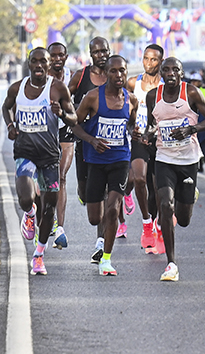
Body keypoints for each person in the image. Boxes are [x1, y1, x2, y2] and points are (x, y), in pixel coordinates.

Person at [2, 48, 77, 275]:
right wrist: (11, 126)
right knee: (26, 198)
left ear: (48, 64)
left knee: (49, 207)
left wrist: (61, 114)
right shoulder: (18, 88)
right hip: (25, 152)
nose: (38, 66)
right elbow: (6, 107)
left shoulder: (57, 88)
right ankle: (29, 213)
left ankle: (39, 255)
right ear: (29, 64)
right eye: (34, 61)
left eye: (42, 62)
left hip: (49, 156)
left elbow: (74, 118)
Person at [143, 57, 205, 281]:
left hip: (188, 161)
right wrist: (147, 135)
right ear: (161, 74)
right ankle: (171, 263)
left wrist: (191, 129)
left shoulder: (192, 93)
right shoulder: (152, 96)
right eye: (166, 70)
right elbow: (152, 125)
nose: (170, 73)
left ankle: (190, 194)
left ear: (181, 73)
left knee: (183, 219)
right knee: (165, 205)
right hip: (164, 158)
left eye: (175, 69)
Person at [70, 55, 138, 276]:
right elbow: (74, 126)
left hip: (119, 160)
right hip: (95, 162)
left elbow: (130, 125)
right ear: (106, 74)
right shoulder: (92, 98)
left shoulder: (132, 100)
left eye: (122, 71)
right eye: (114, 71)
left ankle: (106, 259)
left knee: (112, 209)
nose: (119, 75)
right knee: (94, 217)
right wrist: (91, 140)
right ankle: (101, 239)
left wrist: (133, 133)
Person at [67, 37, 113, 258]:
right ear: (90, 54)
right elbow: (64, 99)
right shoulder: (81, 76)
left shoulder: (115, 75)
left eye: (105, 50)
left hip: (108, 145)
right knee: (86, 194)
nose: (101, 55)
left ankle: (101, 242)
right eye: (97, 52)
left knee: (106, 194)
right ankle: (84, 192)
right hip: (84, 141)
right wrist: (79, 108)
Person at [126, 44, 164, 253]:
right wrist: (130, 128)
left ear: (161, 62)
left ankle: (158, 223)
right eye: (146, 59)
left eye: (154, 59)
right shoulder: (134, 83)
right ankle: (147, 223)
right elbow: (126, 109)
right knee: (139, 179)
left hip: (160, 141)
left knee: (157, 189)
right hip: (139, 139)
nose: (149, 63)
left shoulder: (168, 85)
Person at [46, 41, 74, 249]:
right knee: (46, 180)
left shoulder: (73, 76)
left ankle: (60, 227)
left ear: (66, 57)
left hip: (66, 129)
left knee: (61, 176)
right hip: (44, 131)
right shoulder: (40, 77)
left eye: (60, 55)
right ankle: (43, 216)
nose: (57, 59)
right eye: (53, 55)